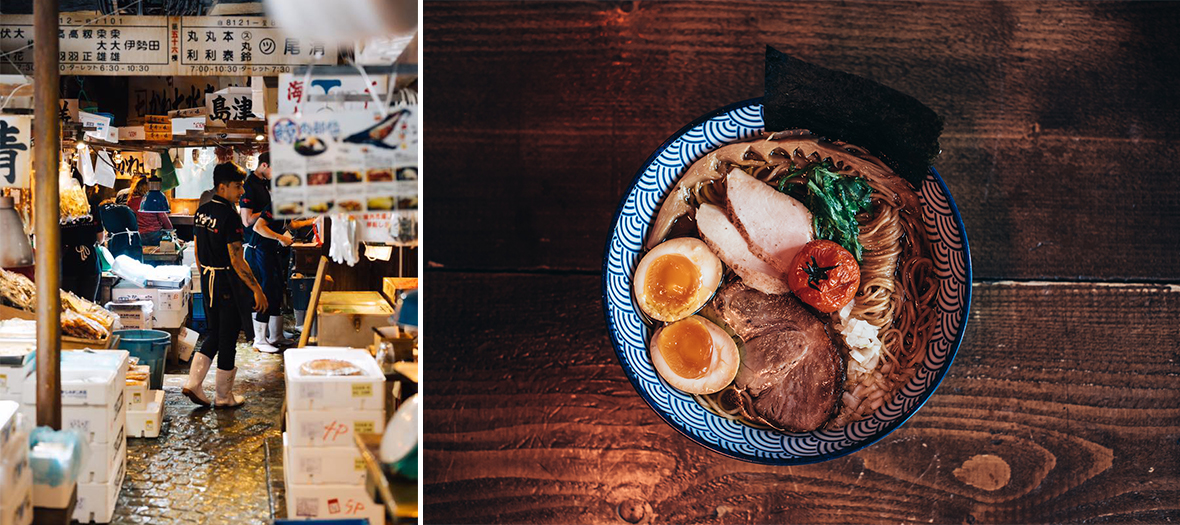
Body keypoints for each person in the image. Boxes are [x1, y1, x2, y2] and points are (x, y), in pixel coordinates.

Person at [182, 163, 268, 408]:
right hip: (227, 283)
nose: (241, 191)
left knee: (215, 332)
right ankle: (223, 397)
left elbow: (197, 251)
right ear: (222, 186)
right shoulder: (230, 216)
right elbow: (236, 259)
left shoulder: (202, 211)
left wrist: (206, 276)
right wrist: (257, 290)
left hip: (208, 279)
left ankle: (193, 383)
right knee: (228, 336)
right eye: (237, 186)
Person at [240, 153, 315, 352]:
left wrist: (313, 221)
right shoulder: (275, 203)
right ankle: (259, 339)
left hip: (270, 251)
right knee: (267, 291)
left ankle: (276, 335)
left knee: (275, 291)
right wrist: (281, 238)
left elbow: (292, 224)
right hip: (259, 251)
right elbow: (257, 227)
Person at [60, 171, 105, 302]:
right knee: (88, 307)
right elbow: (100, 238)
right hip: (89, 263)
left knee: (69, 309)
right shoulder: (92, 206)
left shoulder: (56, 207)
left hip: (67, 264)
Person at [126, 176, 175, 246]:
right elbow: (165, 220)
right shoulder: (153, 199)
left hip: (138, 235)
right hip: (155, 235)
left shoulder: (131, 202)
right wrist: (170, 232)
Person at [96, 198, 143, 262]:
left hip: (119, 243)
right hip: (135, 240)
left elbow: (100, 231)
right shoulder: (125, 208)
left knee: (120, 268)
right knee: (137, 266)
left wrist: (103, 238)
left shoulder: (101, 210)